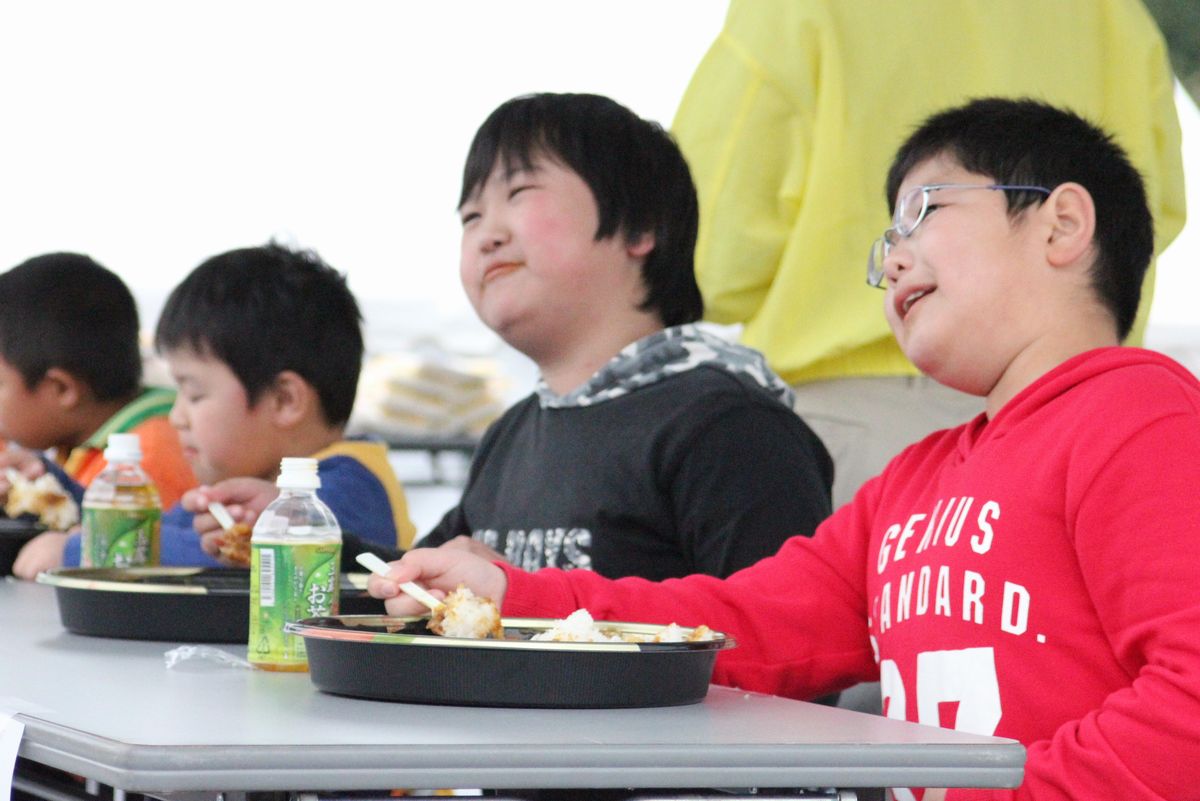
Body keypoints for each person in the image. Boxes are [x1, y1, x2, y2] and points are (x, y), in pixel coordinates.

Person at [366, 99, 1200, 801]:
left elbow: (1188, 704)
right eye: (885, 240)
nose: (892, 257)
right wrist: (514, 595)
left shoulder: (1140, 416)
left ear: (1061, 223)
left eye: (925, 210)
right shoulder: (910, 482)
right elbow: (742, 627)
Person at [192, 93, 833, 585]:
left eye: (519, 193)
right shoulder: (513, 434)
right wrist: (304, 539)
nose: (486, 233)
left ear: (640, 227)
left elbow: (783, 643)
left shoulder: (728, 427)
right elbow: (418, 578)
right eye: (471, 216)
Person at [672, 0, 1187, 509]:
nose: (895, 259)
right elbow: (1150, 215)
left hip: (853, 424)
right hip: (1081, 418)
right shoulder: (1118, 16)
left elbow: (706, 253)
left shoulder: (795, 9)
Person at [14, 243, 416, 578]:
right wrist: (50, 488)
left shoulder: (350, 484)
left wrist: (79, 551)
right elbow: (160, 529)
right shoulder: (249, 486)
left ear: (285, 400)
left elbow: (225, 558)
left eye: (194, 394)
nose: (176, 417)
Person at [1, 253, 197, 576]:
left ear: (61, 389)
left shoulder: (149, 455)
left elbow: (134, 556)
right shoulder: (73, 440)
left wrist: (69, 549)